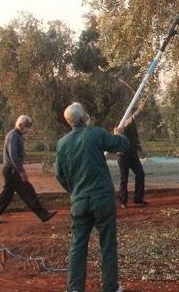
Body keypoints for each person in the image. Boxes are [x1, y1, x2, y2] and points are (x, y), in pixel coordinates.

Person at [55, 102, 129, 292]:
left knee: (78, 245)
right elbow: (122, 145)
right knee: (108, 245)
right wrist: (119, 133)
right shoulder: (95, 133)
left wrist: (75, 191)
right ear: (83, 118)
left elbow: (60, 175)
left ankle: (74, 289)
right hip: (102, 199)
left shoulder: (62, 143)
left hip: (79, 201)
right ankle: (110, 288)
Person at [0, 115, 56, 223]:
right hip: (12, 170)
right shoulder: (14, 135)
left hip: (10, 170)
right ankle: (43, 214)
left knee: (7, 195)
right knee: (28, 191)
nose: (28, 129)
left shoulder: (16, 135)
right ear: (20, 125)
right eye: (27, 126)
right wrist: (21, 171)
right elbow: (13, 155)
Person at [117, 117, 146, 208]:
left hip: (133, 154)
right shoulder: (121, 122)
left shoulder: (133, 124)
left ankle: (138, 198)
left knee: (140, 174)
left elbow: (135, 139)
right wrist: (118, 132)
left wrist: (140, 150)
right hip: (123, 155)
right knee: (124, 179)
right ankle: (123, 201)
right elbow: (115, 133)